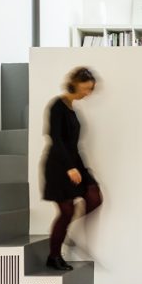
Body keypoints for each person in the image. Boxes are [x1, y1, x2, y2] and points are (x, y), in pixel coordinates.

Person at [42, 66, 102, 271]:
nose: (88, 93)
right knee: (66, 211)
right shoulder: (57, 106)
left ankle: (67, 232)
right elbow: (56, 139)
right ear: (74, 83)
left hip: (74, 161)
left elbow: (74, 144)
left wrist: (81, 169)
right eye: (86, 88)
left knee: (94, 197)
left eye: (90, 89)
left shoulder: (72, 108)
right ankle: (54, 256)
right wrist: (69, 168)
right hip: (58, 166)